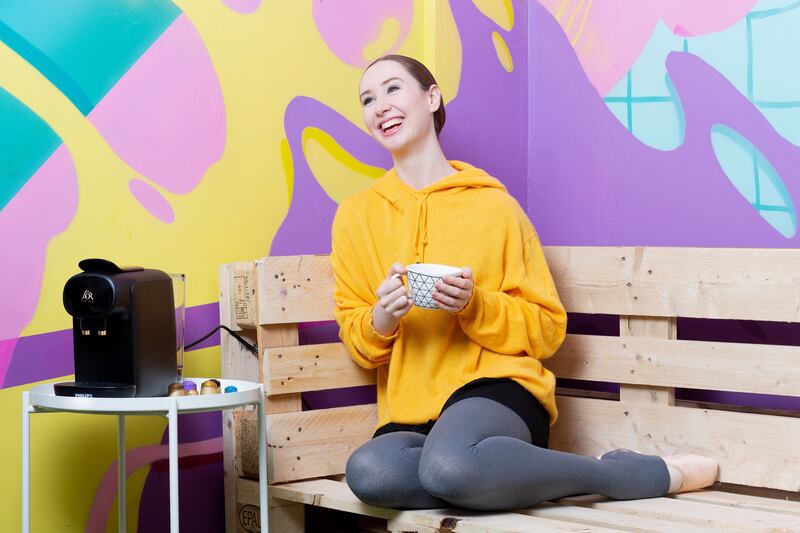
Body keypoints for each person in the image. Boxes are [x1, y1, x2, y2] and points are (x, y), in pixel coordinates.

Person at [330, 54, 718, 511]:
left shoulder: (495, 207)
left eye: (393, 89)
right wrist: (384, 316)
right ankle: (497, 473)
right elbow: (359, 341)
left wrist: (474, 305)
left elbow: (546, 329)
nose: (380, 106)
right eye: (367, 99)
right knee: (371, 473)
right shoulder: (356, 216)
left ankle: (630, 475)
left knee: (450, 466)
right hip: (412, 409)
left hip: (496, 391)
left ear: (432, 97)